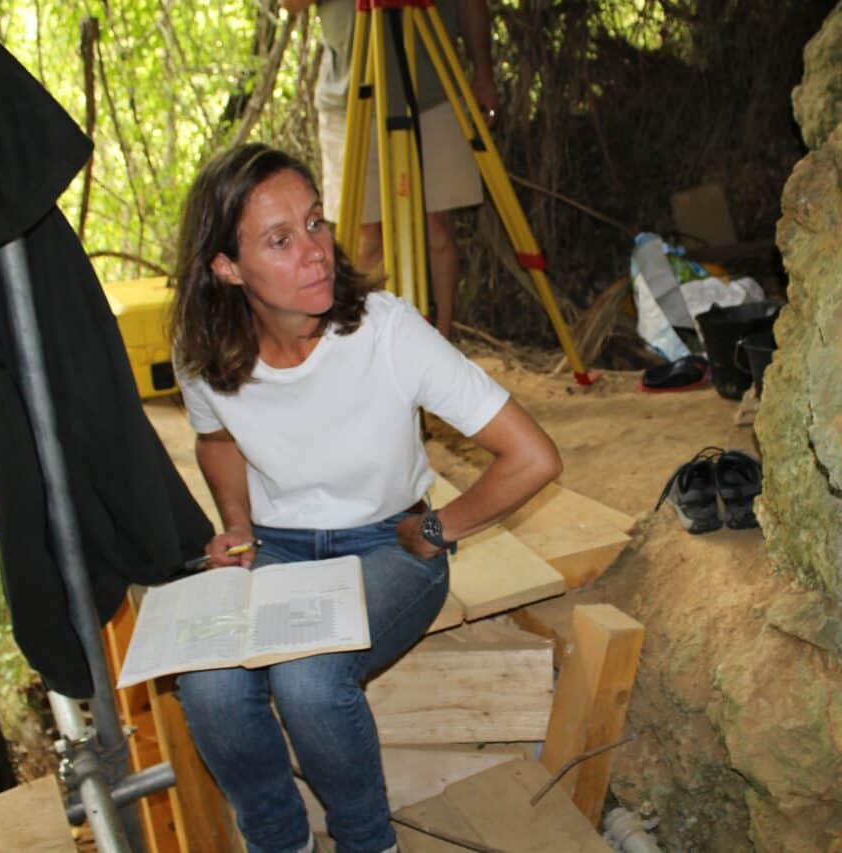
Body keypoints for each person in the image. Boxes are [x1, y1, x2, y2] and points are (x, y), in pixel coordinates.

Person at [168, 143, 561, 853]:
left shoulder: (385, 331)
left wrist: (440, 527)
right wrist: (234, 522)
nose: (316, 251)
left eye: (315, 223)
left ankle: (367, 840)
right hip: (278, 547)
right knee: (209, 686)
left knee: (310, 677)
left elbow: (533, 456)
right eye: (280, 240)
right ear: (227, 268)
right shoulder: (205, 349)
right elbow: (216, 439)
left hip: (391, 546)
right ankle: (278, 839)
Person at [282, 0, 497, 339]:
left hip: (435, 89)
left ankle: (439, 345)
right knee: (366, 234)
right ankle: (369, 346)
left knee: (436, 227)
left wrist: (483, 72)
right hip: (351, 98)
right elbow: (290, 4)